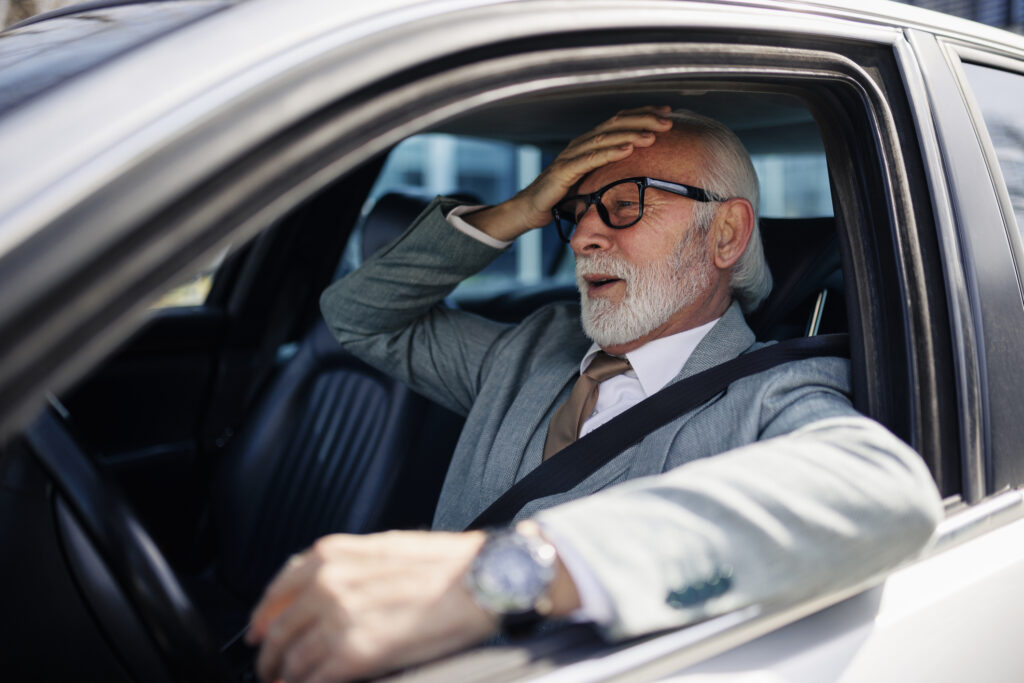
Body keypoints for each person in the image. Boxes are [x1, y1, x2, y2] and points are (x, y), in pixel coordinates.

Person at [245, 106, 943, 682]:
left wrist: (519, 571)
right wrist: (518, 210)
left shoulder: (772, 390)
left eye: (624, 204)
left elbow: (884, 488)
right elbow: (358, 318)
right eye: (573, 211)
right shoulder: (529, 348)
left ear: (726, 233)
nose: (581, 235)